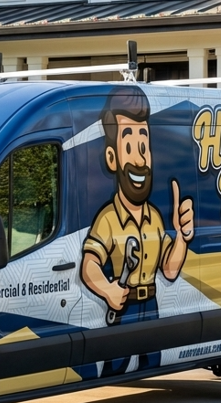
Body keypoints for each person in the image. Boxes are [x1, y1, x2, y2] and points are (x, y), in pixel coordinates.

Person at [80, 84, 194, 324]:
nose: (140, 159)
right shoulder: (109, 219)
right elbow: (89, 264)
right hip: (124, 309)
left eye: (144, 146)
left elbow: (170, 270)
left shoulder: (155, 218)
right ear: (112, 158)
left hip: (151, 308)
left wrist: (182, 238)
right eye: (130, 147)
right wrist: (108, 290)